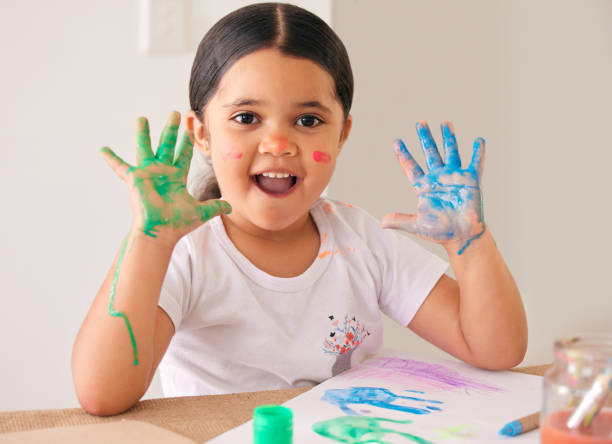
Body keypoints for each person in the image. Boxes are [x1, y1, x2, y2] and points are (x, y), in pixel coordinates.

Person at [72, 2, 527, 417]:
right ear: (202, 134)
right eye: (246, 117)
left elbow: (496, 350)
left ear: (342, 133)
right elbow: (102, 394)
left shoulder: (361, 241)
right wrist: (147, 242)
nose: (277, 143)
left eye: (308, 121)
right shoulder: (186, 252)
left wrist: (471, 243)